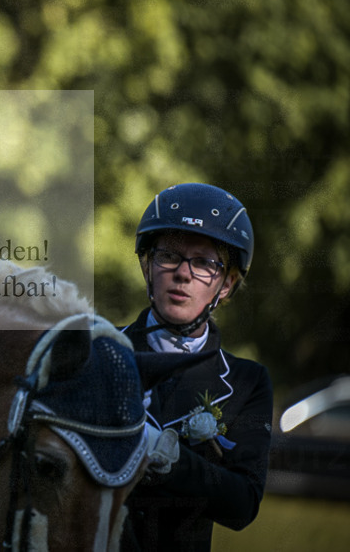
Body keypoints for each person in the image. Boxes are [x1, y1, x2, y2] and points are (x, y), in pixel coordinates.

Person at [121, 183, 273, 552]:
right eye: (169, 255)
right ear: (148, 265)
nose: (183, 274)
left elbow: (242, 506)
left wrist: (172, 459)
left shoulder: (248, 382)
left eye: (204, 262)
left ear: (226, 284)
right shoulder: (95, 351)